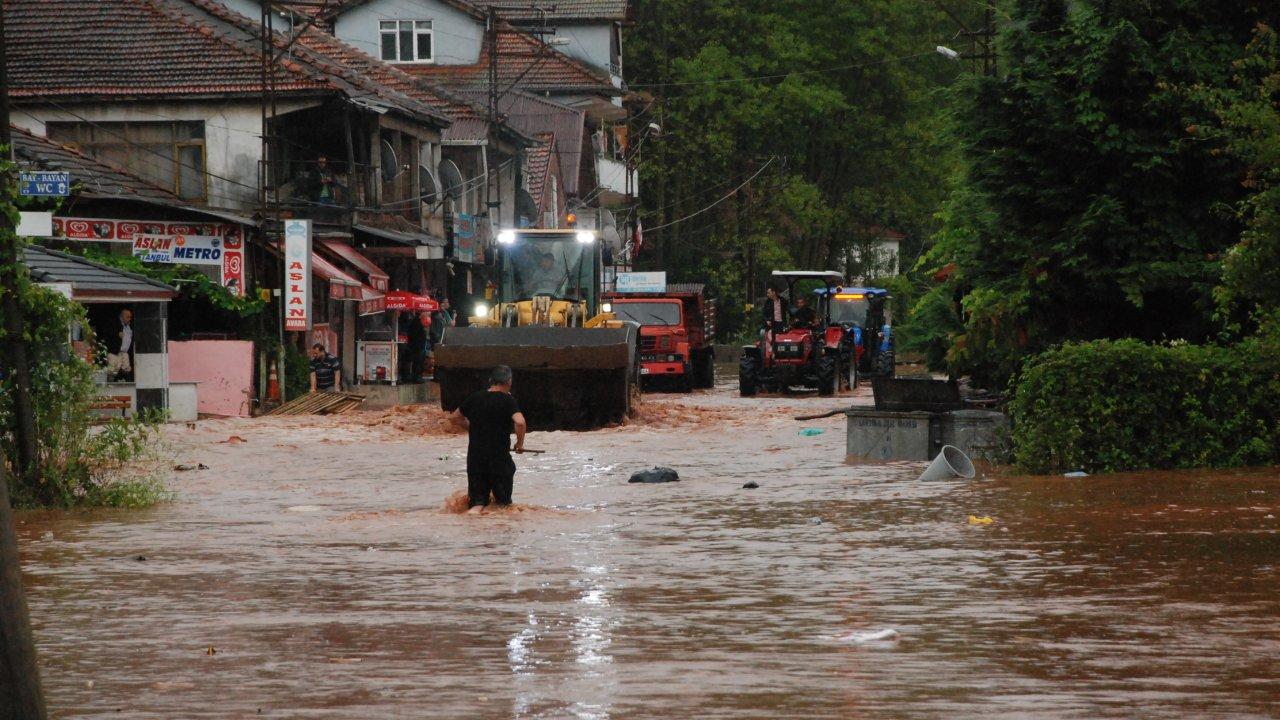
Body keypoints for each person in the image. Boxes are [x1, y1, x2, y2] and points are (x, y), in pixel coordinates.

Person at [450, 365, 528, 510]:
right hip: (499, 460)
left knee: (477, 505)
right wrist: (520, 443)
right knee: (503, 506)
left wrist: (472, 428)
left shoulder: (475, 397)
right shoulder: (508, 400)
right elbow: (520, 422)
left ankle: (469, 528)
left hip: (475, 459)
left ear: (491, 380)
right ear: (509, 382)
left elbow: (455, 417)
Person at [105, 308, 134, 380]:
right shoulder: (115, 324)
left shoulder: (129, 326)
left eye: (130, 317)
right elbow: (108, 333)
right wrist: (117, 334)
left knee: (126, 369)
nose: (129, 319)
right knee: (112, 371)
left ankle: (126, 384)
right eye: (127, 317)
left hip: (124, 352)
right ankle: (110, 386)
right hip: (114, 351)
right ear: (122, 317)